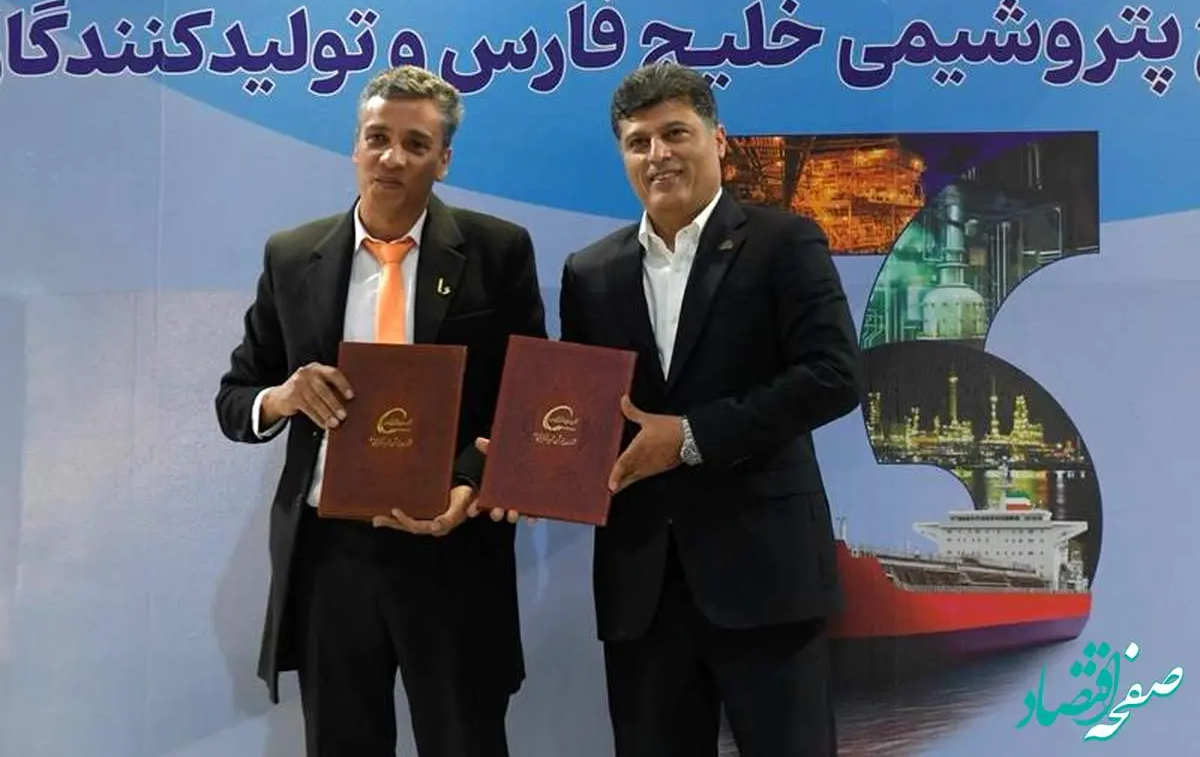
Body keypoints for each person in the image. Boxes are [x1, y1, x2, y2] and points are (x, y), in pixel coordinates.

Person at [477, 62, 862, 755]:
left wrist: (690, 435)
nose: (658, 154)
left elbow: (833, 376)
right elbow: (589, 408)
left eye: (675, 133)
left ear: (718, 139)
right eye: (638, 142)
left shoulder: (784, 242)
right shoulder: (591, 271)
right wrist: (528, 467)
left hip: (766, 577)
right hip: (643, 588)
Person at [214, 65, 547, 757]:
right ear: (355, 146)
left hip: (452, 545)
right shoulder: (292, 257)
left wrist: (470, 482)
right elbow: (236, 397)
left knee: (465, 741)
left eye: (415, 144)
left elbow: (527, 401)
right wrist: (285, 395)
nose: (393, 157)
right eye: (378, 138)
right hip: (331, 553)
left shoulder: (498, 250)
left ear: (443, 159)